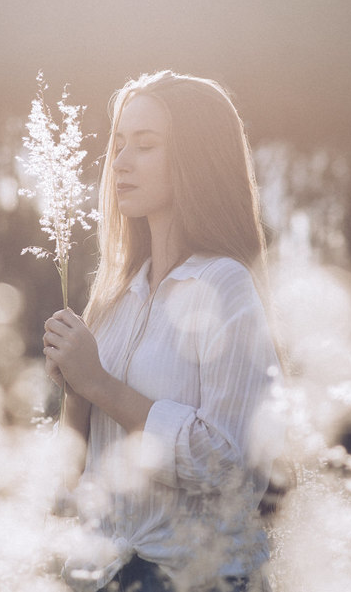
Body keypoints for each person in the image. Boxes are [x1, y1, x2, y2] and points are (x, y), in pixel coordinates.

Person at [43, 70, 281, 592]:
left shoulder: (223, 284)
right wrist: (77, 391)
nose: (120, 162)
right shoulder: (114, 294)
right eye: (118, 144)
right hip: (106, 576)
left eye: (145, 145)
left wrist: (100, 384)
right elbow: (79, 471)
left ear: (196, 160)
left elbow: (233, 468)